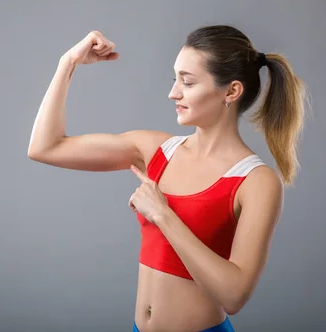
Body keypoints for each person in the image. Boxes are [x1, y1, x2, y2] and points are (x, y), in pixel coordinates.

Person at [28, 26, 307, 332]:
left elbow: (234, 295)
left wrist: (163, 215)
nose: (173, 92)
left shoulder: (256, 181)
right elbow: (45, 147)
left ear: (231, 91)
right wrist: (67, 63)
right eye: (175, 79)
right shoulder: (154, 150)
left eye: (187, 82)